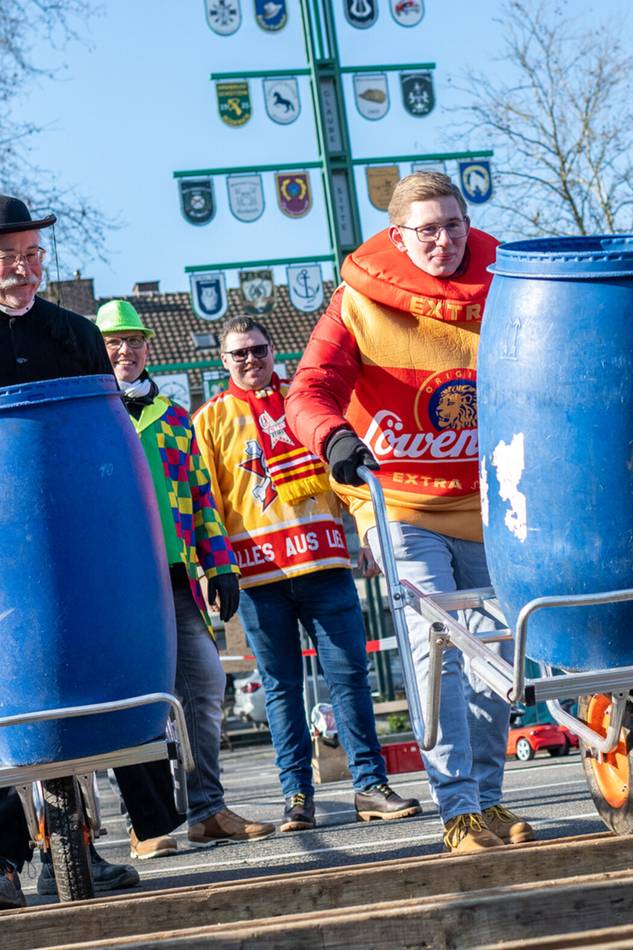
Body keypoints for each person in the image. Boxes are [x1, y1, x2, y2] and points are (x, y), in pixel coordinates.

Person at [285, 171, 534, 853]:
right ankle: (456, 810)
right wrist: (333, 437)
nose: (444, 241)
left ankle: (487, 800)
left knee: (498, 655)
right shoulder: (358, 302)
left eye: (454, 225)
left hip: (487, 503)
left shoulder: (506, 287)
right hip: (401, 506)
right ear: (399, 236)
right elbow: (309, 388)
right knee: (437, 649)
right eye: (427, 229)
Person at [0, 194, 170, 898]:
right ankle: (5, 860)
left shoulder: (73, 332)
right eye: (10, 259)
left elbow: (103, 424)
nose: (24, 271)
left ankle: (89, 841)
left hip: (76, 521)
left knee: (91, 663)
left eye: (33, 257)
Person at [193, 316, 420, 832]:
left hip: (324, 563)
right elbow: (206, 502)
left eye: (258, 349)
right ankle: (296, 796)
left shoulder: (307, 406)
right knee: (280, 688)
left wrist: (366, 532)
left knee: (350, 678)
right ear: (223, 361)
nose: (251, 360)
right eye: (239, 354)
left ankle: (369, 785)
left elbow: (349, 470)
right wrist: (213, 567)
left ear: (274, 350)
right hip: (259, 577)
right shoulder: (210, 420)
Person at [95, 300, 276, 854]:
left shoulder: (175, 418)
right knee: (140, 698)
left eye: (134, 341)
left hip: (177, 577)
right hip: (119, 582)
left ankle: (206, 808)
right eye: (114, 342)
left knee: (202, 684)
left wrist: (221, 565)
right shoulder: (94, 416)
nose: (126, 351)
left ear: (149, 346)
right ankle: (142, 820)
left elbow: (202, 497)